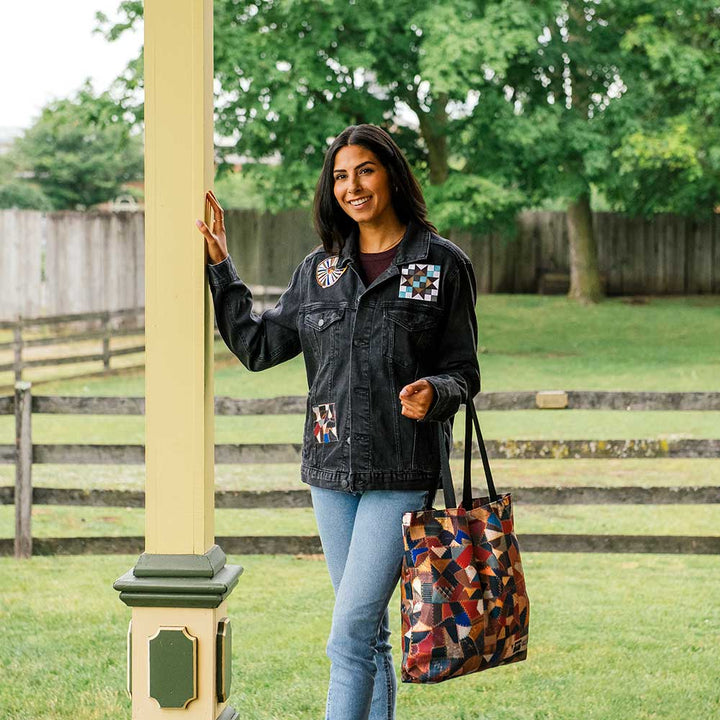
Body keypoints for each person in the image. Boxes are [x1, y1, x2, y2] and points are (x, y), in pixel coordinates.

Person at [196, 123, 480, 720]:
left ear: (392, 176)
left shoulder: (440, 265)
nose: (353, 186)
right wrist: (222, 269)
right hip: (329, 469)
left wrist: (436, 391)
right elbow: (257, 346)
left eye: (366, 170)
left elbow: (464, 372)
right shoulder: (321, 271)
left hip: (400, 469)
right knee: (367, 632)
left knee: (348, 634)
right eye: (341, 175)